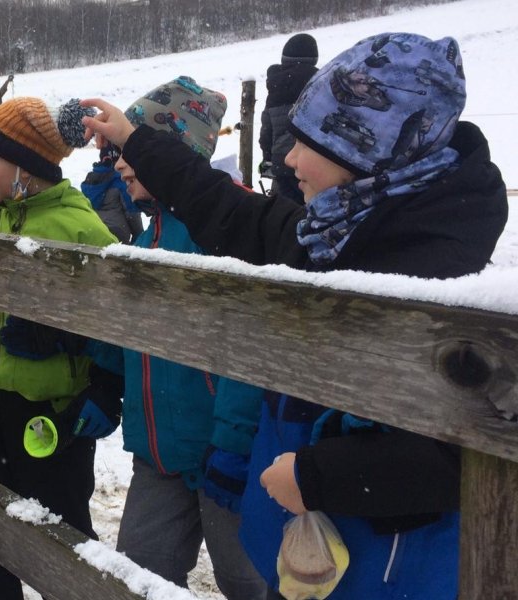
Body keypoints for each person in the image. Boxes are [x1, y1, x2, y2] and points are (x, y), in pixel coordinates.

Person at [82, 33, 507, 599]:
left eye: (308, 144)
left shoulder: (434, 278)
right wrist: (137, 141)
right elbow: (231, 212)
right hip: (323, 559)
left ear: (364, 151)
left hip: (386, 572)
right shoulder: (337, 232)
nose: (287, 159)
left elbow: (458, 452)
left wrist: (318, 476)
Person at [86, 77, 272, 599]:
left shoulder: (230, 232)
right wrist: (104, 381)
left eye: (130, 150)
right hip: (159, 453)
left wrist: (235, 443)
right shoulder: (149, 238)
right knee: (141, 574)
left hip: (226, 454)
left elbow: (249, 345)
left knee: (246, 580)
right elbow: (130, 328)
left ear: (175, 151)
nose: (120, 164)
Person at [0, 96, 120, 600]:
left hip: (45, 416)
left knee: (59, 539)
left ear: (25, 164)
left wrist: (93, 371)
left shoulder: (80, 229)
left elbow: (117, 323)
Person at [259, 33, 318, 204]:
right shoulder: (320, 85)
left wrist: (268, 158)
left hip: (282, 164)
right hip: (312, 165)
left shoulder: (276, 88)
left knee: (282, 214)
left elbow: (266, 131)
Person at [81, 142, 143, 243]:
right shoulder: (121, 181)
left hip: (92, 229)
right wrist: (139, 234)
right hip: (117, 233)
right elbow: (132, 212)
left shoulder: (90, 179)